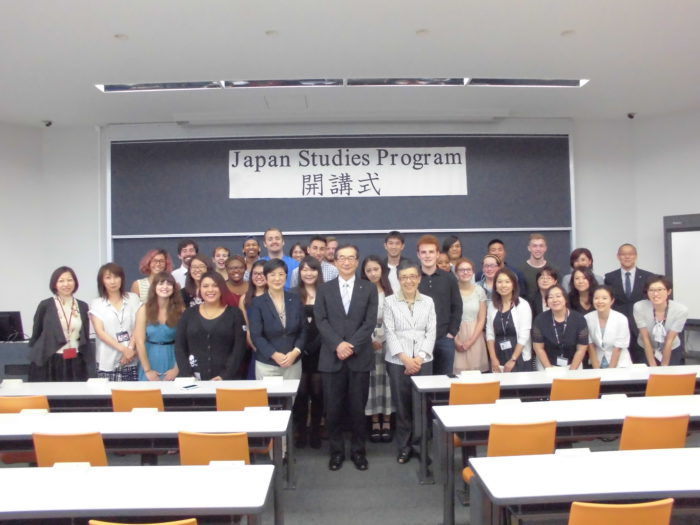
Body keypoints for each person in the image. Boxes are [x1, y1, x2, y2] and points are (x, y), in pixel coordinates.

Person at [315, 244, 378, 472]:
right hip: (332, 357)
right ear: (335, 261)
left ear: (357, 260)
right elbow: (321, 320)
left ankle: (359, 452)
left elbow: (369, 322)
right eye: (342, 258)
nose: (346, 262)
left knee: (357, 408)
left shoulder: (368, 288)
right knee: (333, 409)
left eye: (351, 258)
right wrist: (338, 344)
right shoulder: (324, 289)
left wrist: (350, 345)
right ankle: (336, 452)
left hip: (359, 356)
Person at [384, 260, 435, 465]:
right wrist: (405, 359)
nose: (409, 281)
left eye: (413, 276)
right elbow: (389, 331)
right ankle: (404, 447)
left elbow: (431, 331)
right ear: (398, 280)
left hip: (423, 360)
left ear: (419, 278)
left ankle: (420, 447)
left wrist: (420, 357)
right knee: (403, 406)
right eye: (404, 277)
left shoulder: (429, 301)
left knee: (422, 406)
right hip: (398, 361)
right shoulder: (389, 301)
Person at [175, 271, 246, 380]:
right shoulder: (189, 314)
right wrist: (188, 375)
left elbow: (239, 349)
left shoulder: (235, 314)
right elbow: (180, 347)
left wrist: (224, 376)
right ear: (200, 289)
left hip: (227, 379)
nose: (210, 290)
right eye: (205, 286)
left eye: (215, 286)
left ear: (222, 288)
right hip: (193, 381)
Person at [28, 266, 94, 381]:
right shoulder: (45, 305)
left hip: (76, 357)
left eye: (69, 280)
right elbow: (37, 332)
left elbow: (85, 334)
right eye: (61, 281)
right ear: (54, 284)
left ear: (75, 282)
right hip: (51, 358)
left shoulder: (82, 306)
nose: (66, 284)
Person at [249, 259, 306, 380]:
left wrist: (295, 353)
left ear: (286, 276)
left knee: (291, 399)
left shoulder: (295, 299)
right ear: (265, 277)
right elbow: (256, 335)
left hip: (293, 362)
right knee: (269, 399)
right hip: (268, 363)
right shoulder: (257, 303)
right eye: (272, 275)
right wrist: (274, 355)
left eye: (281, 274)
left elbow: (304, 330)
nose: (277, 278)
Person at [416, 235, 462, 376]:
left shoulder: (449, 278)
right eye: (423, 252)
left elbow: (457, 306)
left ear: (437, 254)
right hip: (419, 339)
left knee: (444, 382)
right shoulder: (413, 277)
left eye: (431, 252)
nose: (427, 256)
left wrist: (451, 332)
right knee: (422, 381)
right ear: (418, 255)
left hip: (444, 338)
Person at [292, 256, 325, 449]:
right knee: (302, 393)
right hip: (298, 350)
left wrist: (315, 344)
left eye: (312, 269)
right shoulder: (293, 294)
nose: (308, 273)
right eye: (304, 269)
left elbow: (329, 322)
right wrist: (301, 347)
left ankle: (315, 431)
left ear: (318, 272)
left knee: (318, 393)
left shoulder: (326, 292)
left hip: (322, 349)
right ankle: (301, 432)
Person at [361, 255, 394, 444]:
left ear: (382, 271)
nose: (373, 273)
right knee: (372, 382)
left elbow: (396, 321)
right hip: (368, 344)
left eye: (376, 269)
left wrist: (384, 338)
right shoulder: (361, 292)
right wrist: (371, 339)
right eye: (368, 270)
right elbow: (360, 320)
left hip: (390, 345)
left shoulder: (391, 293)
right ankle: (374, 420)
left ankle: (387, 420)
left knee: (387, 382)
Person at [90, 263, 142, 381]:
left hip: (131, 358)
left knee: (131, 397)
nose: (113, 281)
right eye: (108, 278)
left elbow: (138, 326)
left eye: (116, 277)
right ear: (102, 281)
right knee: (109, 397)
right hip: (107, 359)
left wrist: (130, 349)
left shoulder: (133, 298)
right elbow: (100, 332)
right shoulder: (97, 303)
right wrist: (124, 350)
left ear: (122, 279)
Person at [604, 243, 654, 363]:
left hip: (641, 326)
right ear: (618, 256)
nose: (627, 257)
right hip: (619, 325)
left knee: (642, 361)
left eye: (630, 254)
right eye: (623, 254)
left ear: (636, 256)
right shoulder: (610, 277)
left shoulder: (648, 277)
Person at [134, 271, 184, 381]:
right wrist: (148, 370)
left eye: (169, 284)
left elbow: (185, 342)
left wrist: (177, 368)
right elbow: (139, 342)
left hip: (174, 358)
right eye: (161, 283)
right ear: (154, 287)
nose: (165, 287)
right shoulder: (144, 309)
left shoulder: (180, 310)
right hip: (149, 358)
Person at [633, 276, 688, 366]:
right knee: (646, 376)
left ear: (668, 291)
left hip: (671, 347)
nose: (655, 294)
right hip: (645, 347)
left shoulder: (681, 310)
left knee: (668, 376)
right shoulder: (639, 307)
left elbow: (669, 340)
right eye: (651, 290)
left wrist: (663, 368)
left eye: (660, 289)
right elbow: (645, 338)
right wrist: (653, 366)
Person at [486, 268, 532, 373]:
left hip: (519, 357)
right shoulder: (492, 306)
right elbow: (490, 333)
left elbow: (524, 335)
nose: (503, 285)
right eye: (499, 282)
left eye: (507, 282)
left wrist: (513, 359)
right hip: (498, 357)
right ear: (495, 286)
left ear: (514, 285)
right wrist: (493, 358)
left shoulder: (522, 305)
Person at [532, 285, 589, 370]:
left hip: (573, 365)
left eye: (558, 296)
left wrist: (572, 370)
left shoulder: (579, 319)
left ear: (565, 299)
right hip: (546, 365)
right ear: (546, 301)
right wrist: (549, 369)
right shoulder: (540, 319)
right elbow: (538, 347)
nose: (555, 300)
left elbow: (581, 348)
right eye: (550, 297)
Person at [453, 258, 488, 373]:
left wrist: (471, 341)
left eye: (468, 269)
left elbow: (482, 318)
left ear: (473, 272)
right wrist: (455, 341)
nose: (465, 272)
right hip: (456, 335)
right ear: (456, 272)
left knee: (476, 378)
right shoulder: (451, 291)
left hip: (475, 336)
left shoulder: (479, 291)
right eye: (461, 270)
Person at [585, 285, 633, 368]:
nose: (600, 301)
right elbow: (590, 345)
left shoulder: (621, 319)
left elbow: (618, 348)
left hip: (620, 363)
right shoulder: (587, 318)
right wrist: (596, 368)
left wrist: (611, 371)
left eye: (604, 298)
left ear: (612, 300)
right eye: (596, 298)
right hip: (597, 361)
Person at [240, 260, 267, 379]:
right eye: (255, 274)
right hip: (256, 349)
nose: (259, 277)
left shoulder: (276, 295)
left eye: (262, 273)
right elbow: (247, 328)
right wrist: (257, 348)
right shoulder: (245, 298)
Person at [520, 233, 557, 301]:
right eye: (534, 246)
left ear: (545, 248)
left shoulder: (554, 270)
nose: (538, 249)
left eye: (541, 246)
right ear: (529, 248)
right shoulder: (520, 271)